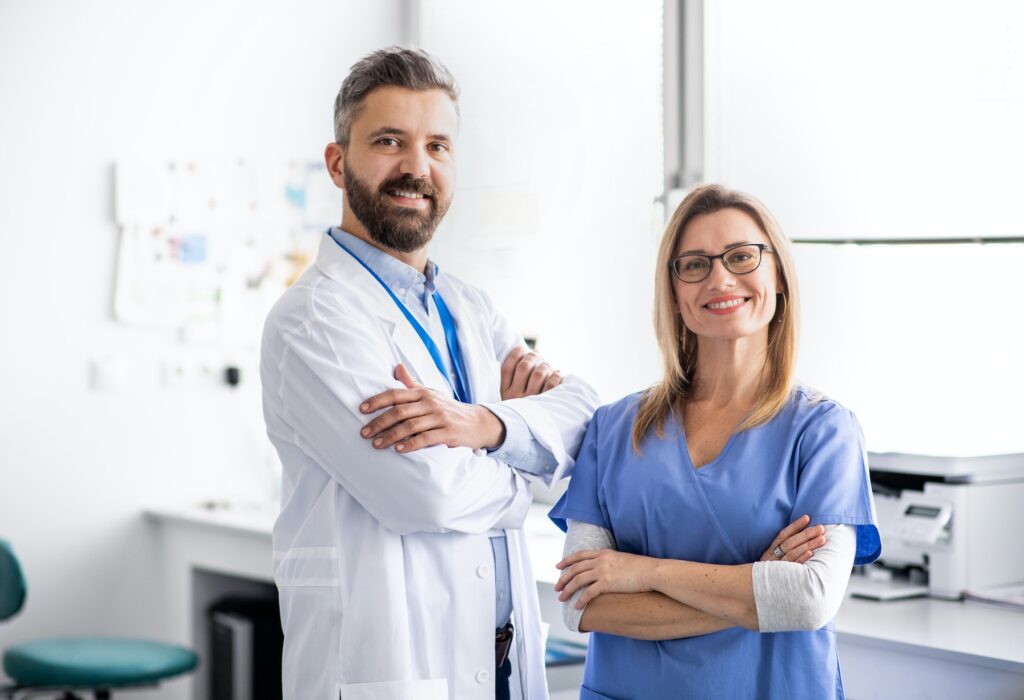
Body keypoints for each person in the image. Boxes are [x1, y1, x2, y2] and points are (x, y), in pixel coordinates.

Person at [260, 47, 600, 700]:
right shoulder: (316, 319)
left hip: (500, 667)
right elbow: (426, 495)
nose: (417, 167)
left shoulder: (470, 307)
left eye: (437, 146)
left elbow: (586, 418)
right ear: (338, 163)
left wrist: (484, 427)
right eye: (389, 141)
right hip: (392, 671)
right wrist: (526, 464)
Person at [549, 184, 881, 700]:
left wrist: (641, 571)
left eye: (742, 256)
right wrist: (755, 589)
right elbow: (581, 605)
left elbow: (809, 598)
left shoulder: (824, 431)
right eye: (695, 264)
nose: (720, 278)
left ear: (778, 276)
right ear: (674, 292)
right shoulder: (612, 429)